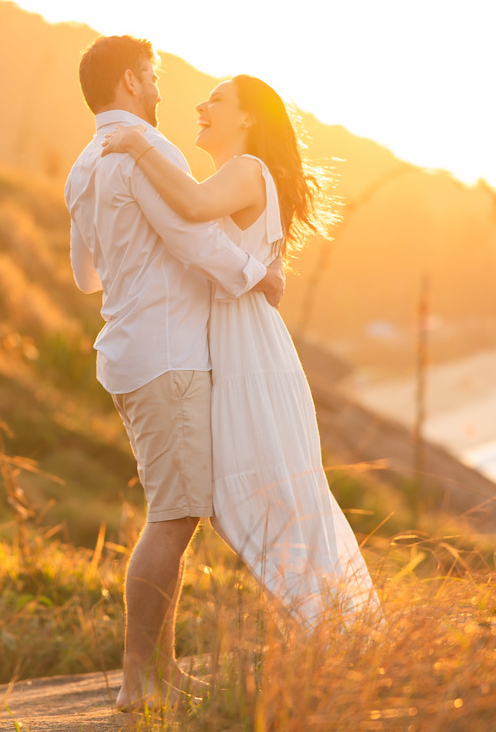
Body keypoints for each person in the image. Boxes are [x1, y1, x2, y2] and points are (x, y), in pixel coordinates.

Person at [101, 74, 380, 627]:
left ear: (249, 119)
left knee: (263, 495)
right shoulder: (244, 174)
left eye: (218, 100)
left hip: (247, 349)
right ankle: (326, 627)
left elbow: (191, 205)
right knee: (257, 498)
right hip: (239, 342)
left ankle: (331, 629)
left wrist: (135, 144)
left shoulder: (246, 170)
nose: (201, 105)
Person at [64, 36, 285, 712]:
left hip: (130, 352)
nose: (161, 90)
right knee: (175, 517)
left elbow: (85, 276)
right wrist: (257, 276)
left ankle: (156, 678)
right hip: (169, 356)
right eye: (154, 77)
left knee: (178, 511)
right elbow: (191, 235)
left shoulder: (81, 164)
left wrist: (132, 275)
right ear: (130, 82)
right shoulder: (149, 151)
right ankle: (137, 688)